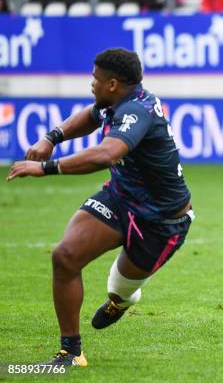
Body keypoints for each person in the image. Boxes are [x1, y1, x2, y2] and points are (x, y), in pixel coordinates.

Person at [7, 48, 194, 365]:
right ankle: (71, 351)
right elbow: (91, 115)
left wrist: (47, 167)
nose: (91, 83)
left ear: (112, 84)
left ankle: (121, 302)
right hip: (120, 199)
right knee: (64, 257)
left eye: (95, 78)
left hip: (161, 223)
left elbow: (105, 154)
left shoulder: (137, 111)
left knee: (120, 289)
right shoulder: (114, 102)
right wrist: (52, 137)